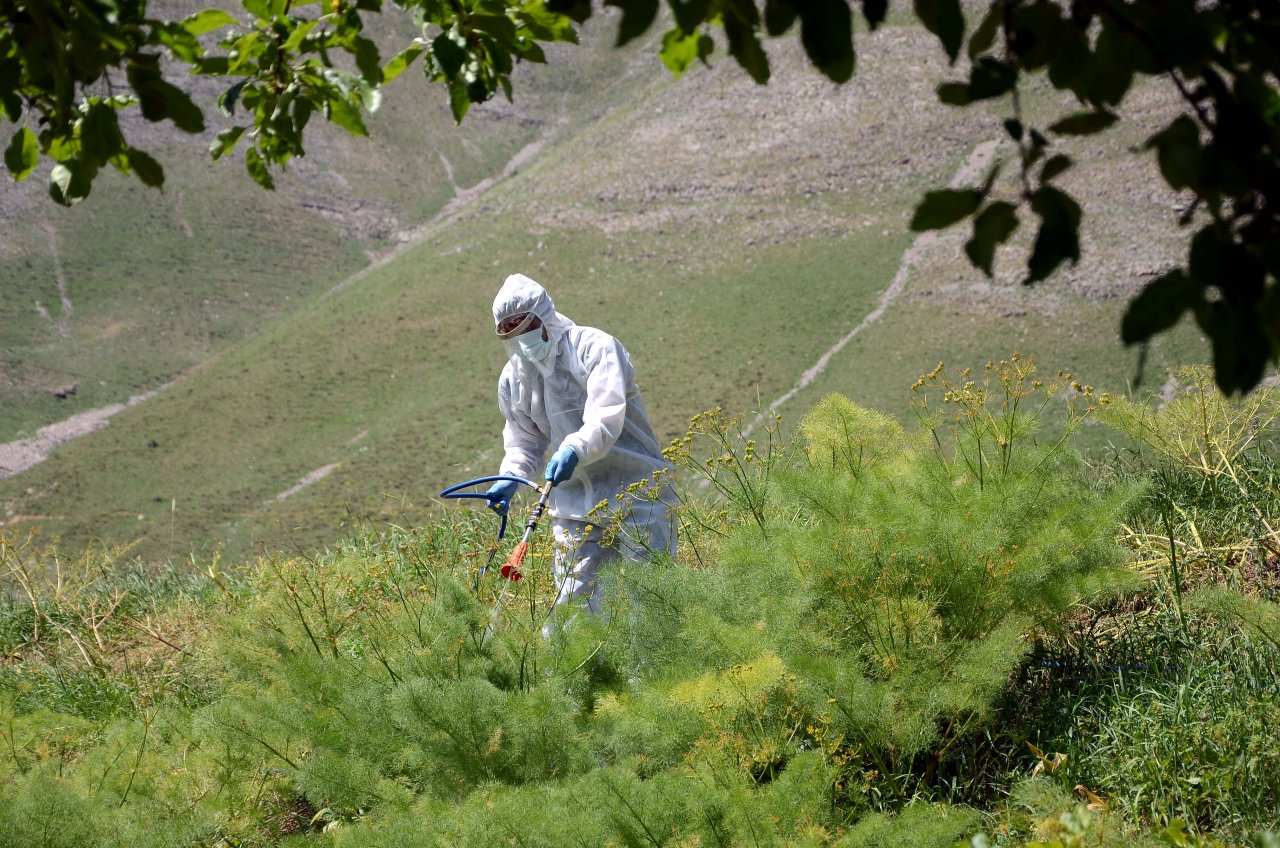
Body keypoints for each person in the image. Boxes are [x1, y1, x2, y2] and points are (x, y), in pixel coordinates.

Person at [484, 273, 676, 616]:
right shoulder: (516, 378)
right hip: (573, 505)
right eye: (509, 331)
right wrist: (511, 476)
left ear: (543, 316)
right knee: (574, 611)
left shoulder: (594, 348)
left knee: (651, 603)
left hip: (636, 493)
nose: (520, 338)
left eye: (524, 325)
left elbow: (605, 415)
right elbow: (523, 439)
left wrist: (575, 448)